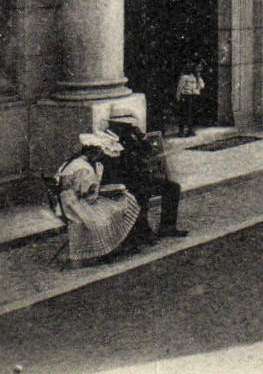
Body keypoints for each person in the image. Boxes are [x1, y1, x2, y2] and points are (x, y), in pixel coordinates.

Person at [54, 133, 141, 266]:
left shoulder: (71, 162)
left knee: (114, 205)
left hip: (65, 202)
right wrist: (104, 190)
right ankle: (111, 248)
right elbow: (88, 194)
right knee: (121, 205)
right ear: (92, 152)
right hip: (77, 205)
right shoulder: (85, 168)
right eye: (99, 153)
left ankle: (115, 246)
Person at [103, 108, 186, 242]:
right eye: (126, 125)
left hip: (139, 177)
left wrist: (142, 138)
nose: (129, 127)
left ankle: (167, 226)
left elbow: (147, 152)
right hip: (123, 182)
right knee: (141, 192)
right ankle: (142, 231)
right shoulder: (109, 140)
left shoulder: (132, 136)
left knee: (172, 187)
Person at [175, 58, 205, 137]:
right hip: (185, 96)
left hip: (193, 96)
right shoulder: (185, 77)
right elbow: (179, 88)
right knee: (184, 114)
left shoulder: (197, 78)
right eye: (198, 68)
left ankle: (190, 130)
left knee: (191, 114)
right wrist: (178, 97)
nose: (199, 70)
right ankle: (181, 131)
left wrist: (198, 77)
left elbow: (202, 86)